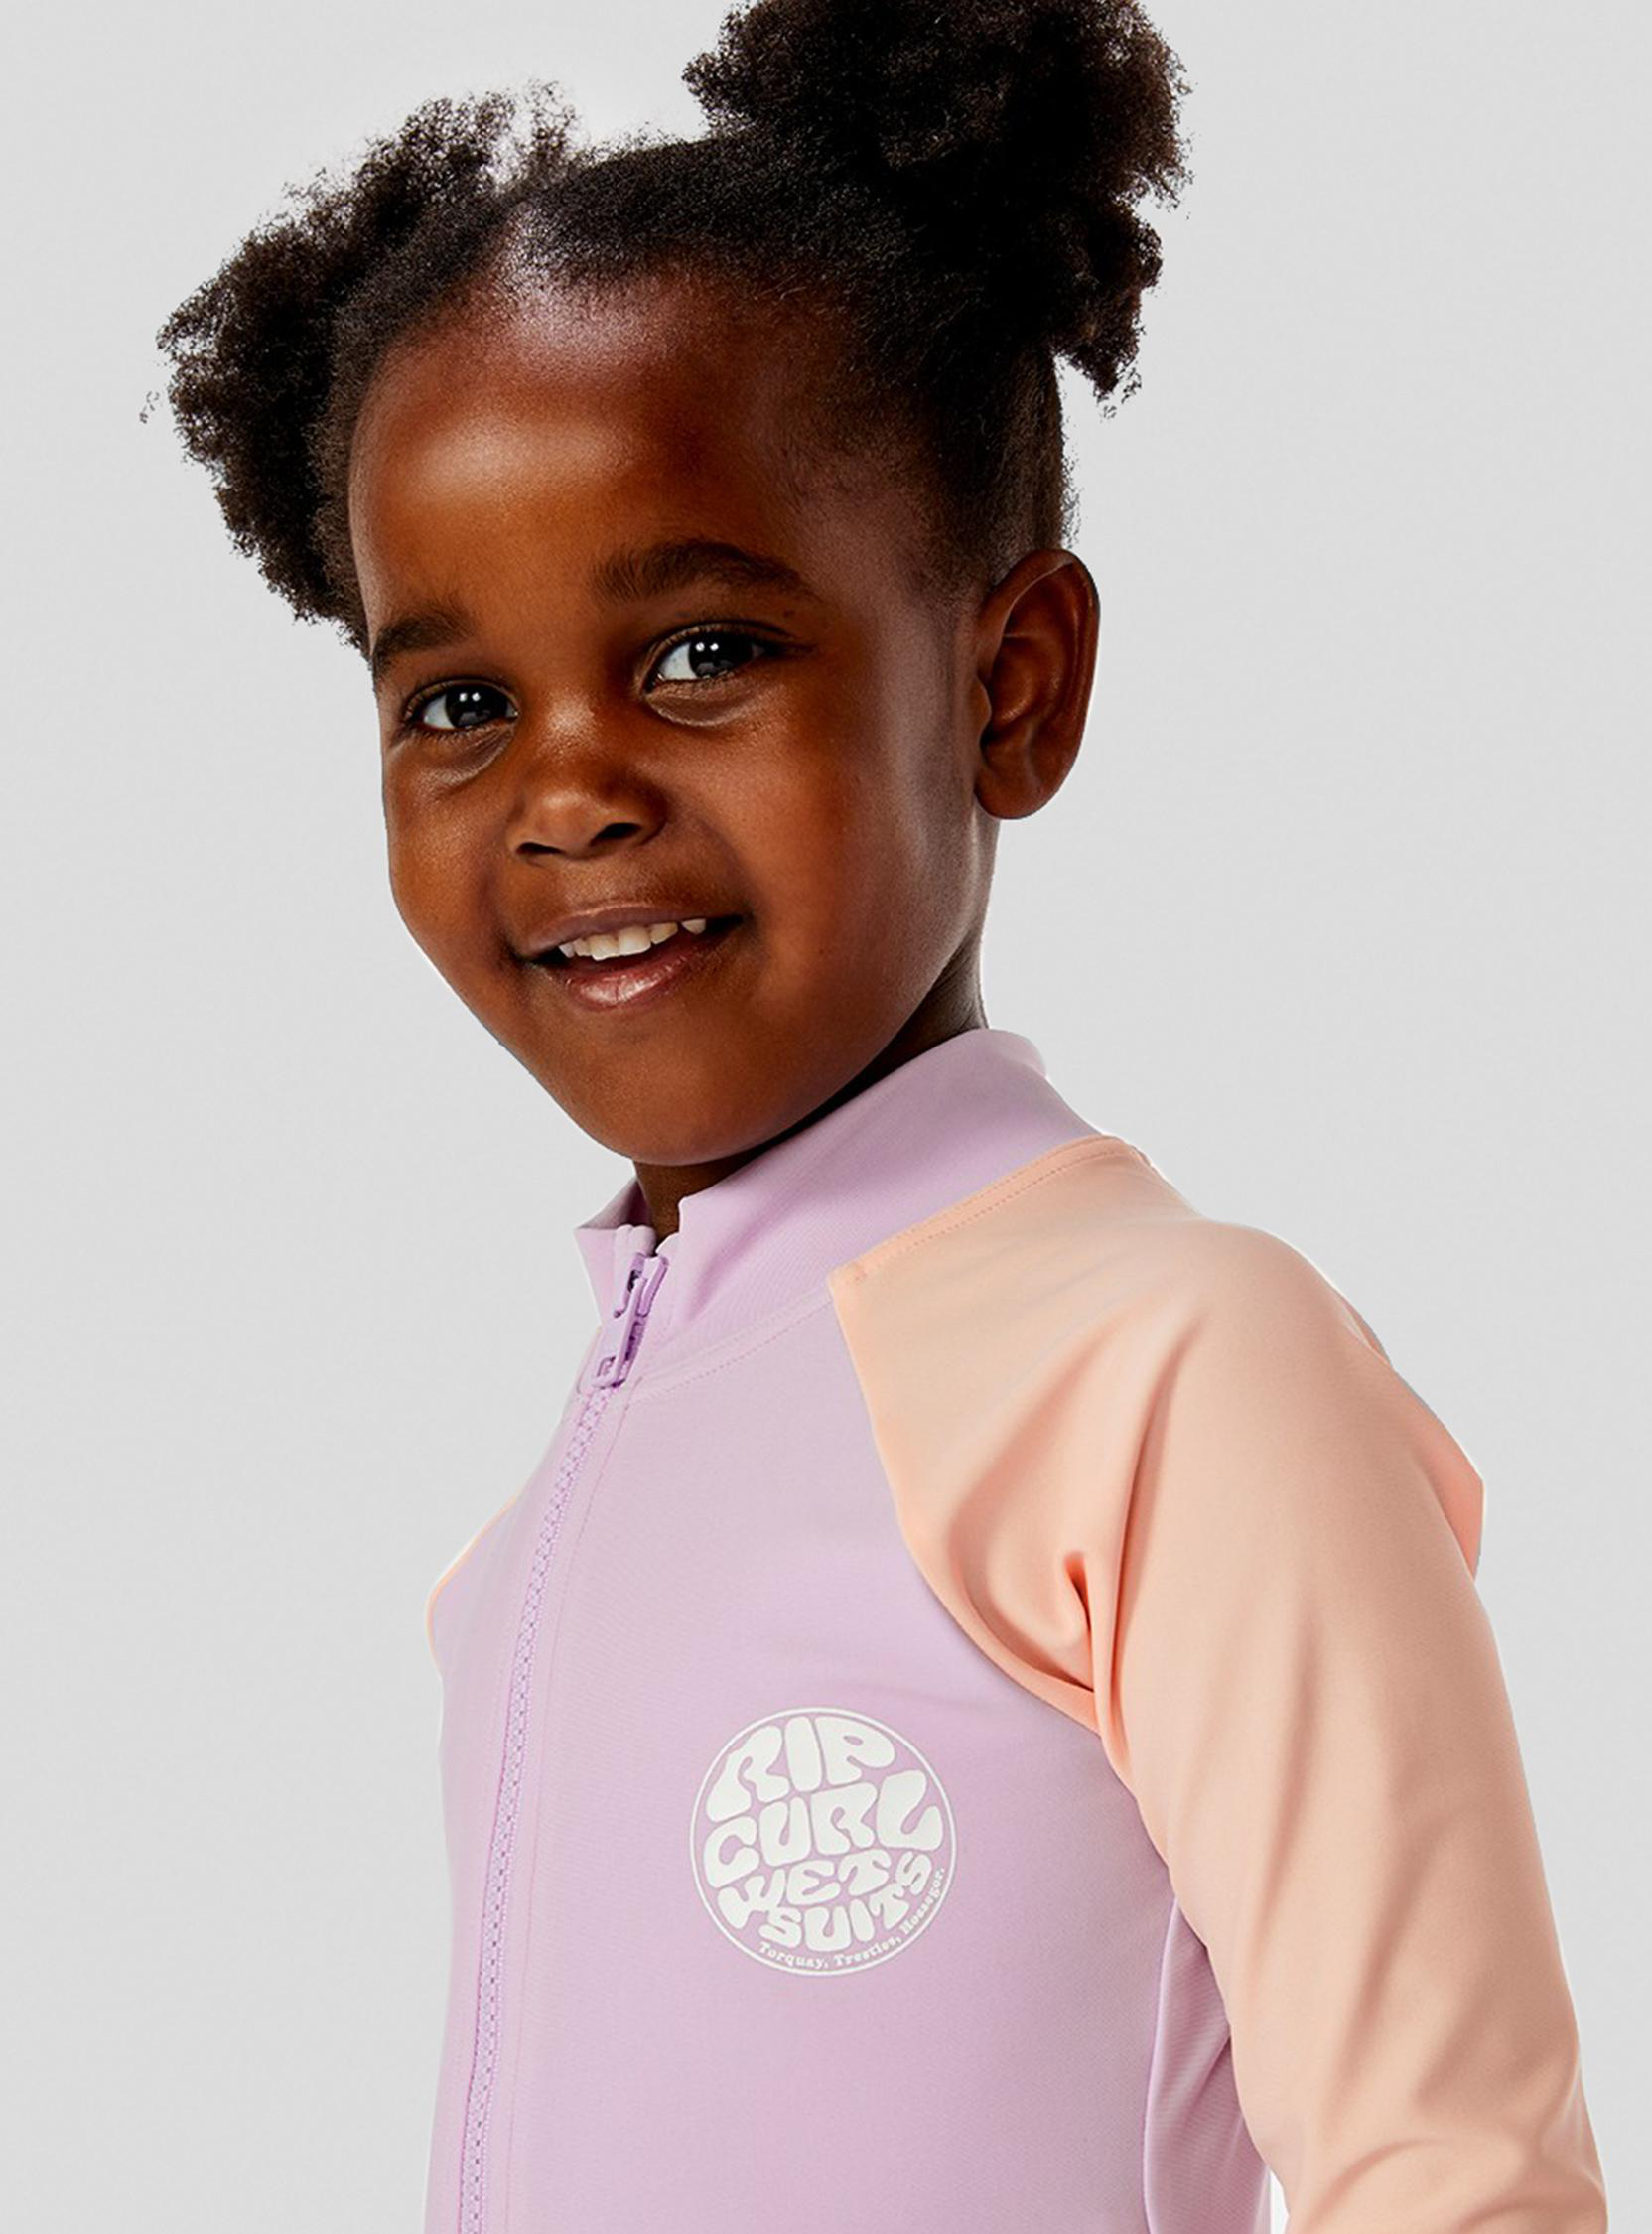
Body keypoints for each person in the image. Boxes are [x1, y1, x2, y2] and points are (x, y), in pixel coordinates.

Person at [152, 1, 1608, 2226]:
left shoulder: (1173, 1374)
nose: (565, 791)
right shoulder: (520, 1551)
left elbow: (1461, 2178)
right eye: (457, 700)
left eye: (703, 653)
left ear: (1010, 684)